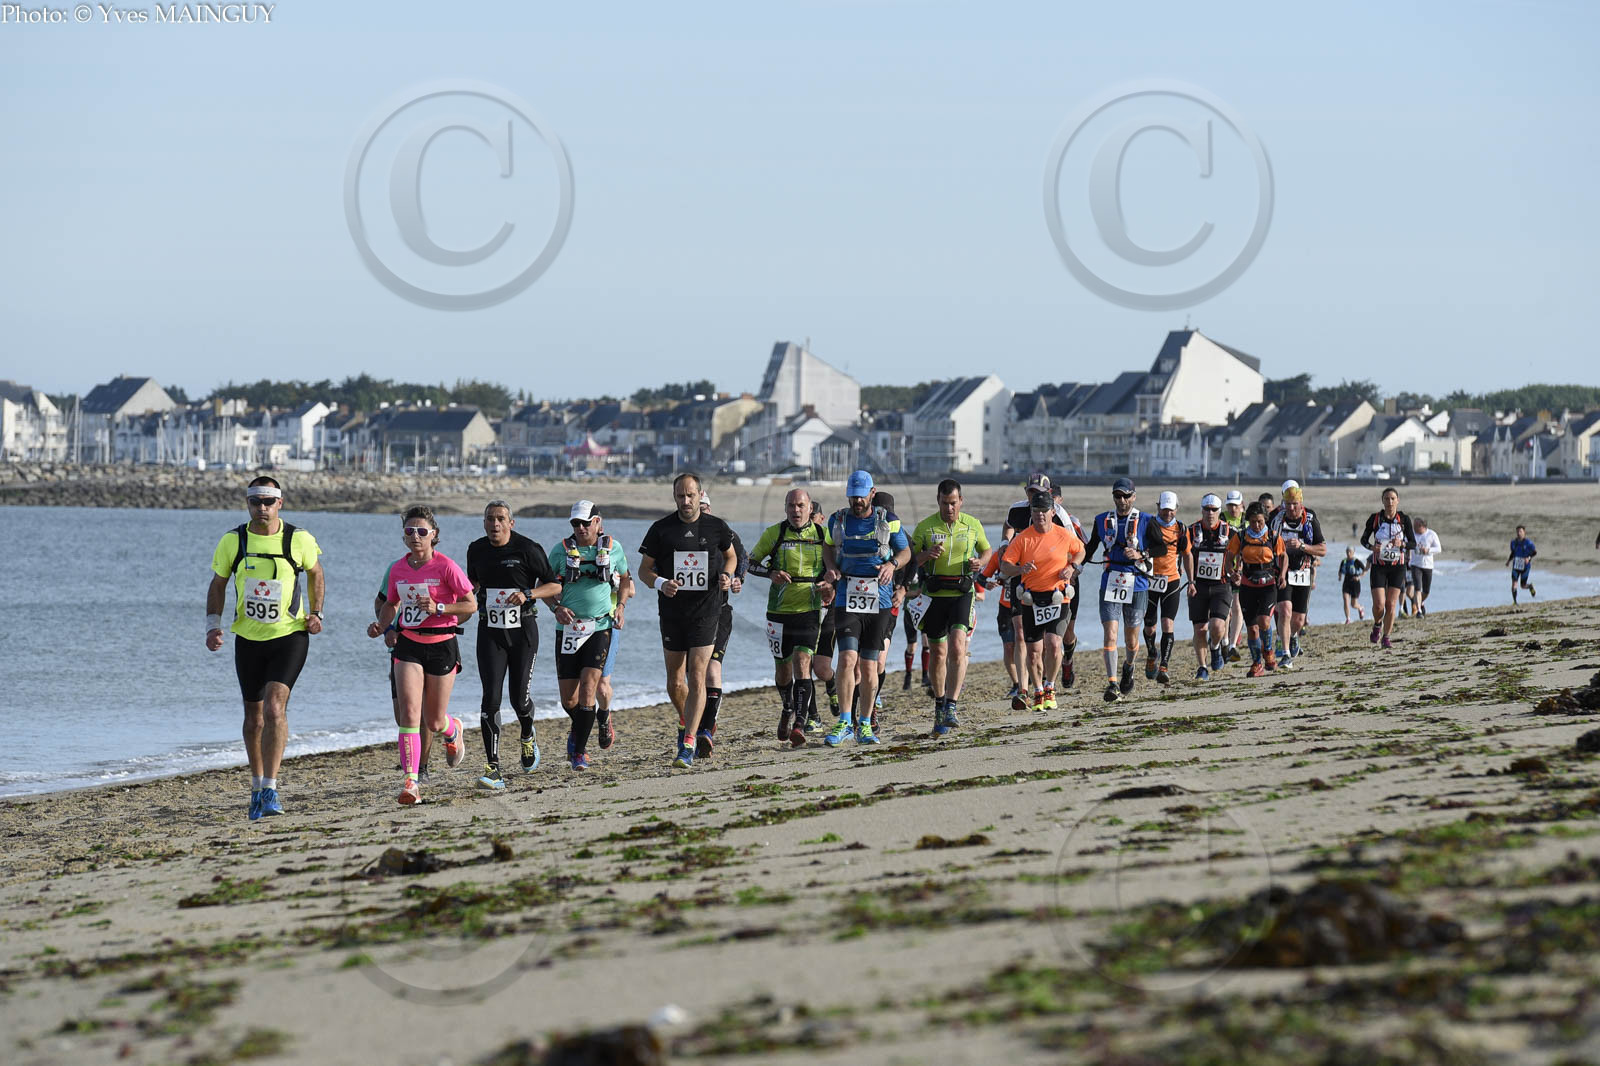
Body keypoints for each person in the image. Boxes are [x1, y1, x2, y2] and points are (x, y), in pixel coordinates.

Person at [206, 476, 326, 821]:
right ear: (248, 504)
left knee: (275, 709)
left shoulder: (298, 539)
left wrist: (316, 613)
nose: (262, 507)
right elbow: (218, 584)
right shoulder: (234, 540)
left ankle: (271, 788)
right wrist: (212, 626)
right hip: (248, 639)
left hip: (289, 635)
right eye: (255, 501)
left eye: (268, 501)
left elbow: (316, 573)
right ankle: (257, 787)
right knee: (254, 719)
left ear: (280, 503)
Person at [368, 505, 477, 805]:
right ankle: (411, 782)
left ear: (433, 535)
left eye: (421, 531)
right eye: (409, 531)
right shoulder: (397, 569)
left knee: (434, 720)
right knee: (409, 714)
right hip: (408, 645)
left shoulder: (446, 566)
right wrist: (382, 625)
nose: (415, 536)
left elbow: (471, 605)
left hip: (442, 645)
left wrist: (439, 608)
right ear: (404, 536)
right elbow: (390, 603)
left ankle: (453, 730)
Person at [637, 473, 736, 769]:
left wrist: (727, 576)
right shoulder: (661, 529)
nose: (686, 501)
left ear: (700, 495)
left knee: (697, 676)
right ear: (674, 496)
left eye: (690, 495)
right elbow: (643, 571)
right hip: (672, 613)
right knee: (675, 681)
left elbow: (731, 556)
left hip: (706, 611)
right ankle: (686, 719)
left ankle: (689, 742)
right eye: (680, 496)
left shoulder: (716, 527)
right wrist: (661, 583)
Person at [466, 500, 562, 789]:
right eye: (490, 519)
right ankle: (493, 768)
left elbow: (554, 585)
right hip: (490, 631)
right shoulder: (476, 549)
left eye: (500, 518)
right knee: (490, 698)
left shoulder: (528, 549)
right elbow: (473, 585)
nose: (495, 524)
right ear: (484, 523)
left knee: (519, 699)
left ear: (511, 523)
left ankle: (527, 734)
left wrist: (528, 594)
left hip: (523, 632)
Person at [822, 470, 911, 745]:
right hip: (847, 597)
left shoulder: (888, 521)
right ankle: (844, 722)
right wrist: (831, 568)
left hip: (879, 599)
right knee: (847, 658)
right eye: (853, 496)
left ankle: (865, 724)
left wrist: (892, 565)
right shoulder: (837, 520)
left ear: (872, 493)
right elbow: (827, 547)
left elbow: (906, 552)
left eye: (861, 496)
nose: (857, 501)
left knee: (870, 665)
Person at [547, 500, 631, 771]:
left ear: (597, 522)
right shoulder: (559, 551)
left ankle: (579, 753)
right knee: (568, 700)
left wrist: (620, 607)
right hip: (568, 629)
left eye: (585, 522)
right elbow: (544, 585)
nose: (580, 528)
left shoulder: (613, 548)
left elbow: (626, 578)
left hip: (599, 626)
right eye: (575, 523)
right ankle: (581, 727)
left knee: (589, 689)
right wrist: (556, 608)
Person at [747, 488, 833, 748]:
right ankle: (787, 707)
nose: (796, 510)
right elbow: (749, 563)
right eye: (791, 506)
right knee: (783, 671)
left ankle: (800, 724)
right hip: (778, 611)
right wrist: (770, 573)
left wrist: (830, 585)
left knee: (803, 662)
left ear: (810, 509)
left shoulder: (823, 535)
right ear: (785, 508)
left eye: (801, 505)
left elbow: (835, 569)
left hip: (809, 610)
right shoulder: (775, 533)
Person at [909, 478, 992, 734]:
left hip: (962, 593)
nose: (949, 508)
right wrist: (926, 555)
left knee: (957, 647)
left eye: (953, 503)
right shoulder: (925, 527)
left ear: (961, 501)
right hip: (934, 594)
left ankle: (952, 706)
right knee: (938, 653)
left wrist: (980, 563)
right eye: (945, 503)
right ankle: (939, 703)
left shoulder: (972, 524)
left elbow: (987, 551)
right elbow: (909, 560)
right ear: (938, 501)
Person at [999, 489, 1086, 710]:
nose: (1039, 514)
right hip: (1031, 600)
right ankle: (1037, 690)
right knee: (1034, 651)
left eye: (1044, 510)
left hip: (1058, 597)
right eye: (1035, 510)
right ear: (1031, 512)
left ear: (1052, 512)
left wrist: (1072, 567)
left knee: (1054, 644)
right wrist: (1020, 569)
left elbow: (1081, 551)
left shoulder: (1064, 534)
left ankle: (1050, 686)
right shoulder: (1022, 539)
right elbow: (1005, 566)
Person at [1082, 477, 1157, 703]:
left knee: (1131, 641)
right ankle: (1112, 683)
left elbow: (1161, 547)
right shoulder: (1102, 520)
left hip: (1137, 582)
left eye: (1126, 496)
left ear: (1133, 497)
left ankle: (1129, 666)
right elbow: (1090, 548)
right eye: (1118, 496)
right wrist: (1075, 567)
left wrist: (1140, 554)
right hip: (1111, 580)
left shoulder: (1146, 520)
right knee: (1110, 633)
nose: (1122, 500)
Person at [698, 492, 748, 755]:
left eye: (704, 507)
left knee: (712, 668)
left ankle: (707, 729)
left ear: (709, 508)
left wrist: (737, 578)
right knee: (692, 675)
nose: (701, 512)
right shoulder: (681, 535)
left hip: (719, 611)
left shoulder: (723, 533)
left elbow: (742, 557)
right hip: (689, 615)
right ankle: (696, 723)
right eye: (697, 508)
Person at [1268, 486, 1325, 669]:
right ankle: (1285, 654)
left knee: (1299, 620)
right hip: (1282, 572)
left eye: (1294, 504)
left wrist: (1302, 546)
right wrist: (1280, 547)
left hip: (1303, 572)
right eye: (1288, 504)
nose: (1291, 508)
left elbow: (1322, 549)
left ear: (1301, 503)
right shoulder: (1276, 520)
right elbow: (1266, 546)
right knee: (1285, 610)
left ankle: (1293, 636)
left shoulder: (1310, 520)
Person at [1140, 490, 1190, 685]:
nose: (1168, 513)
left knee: (1167, 623)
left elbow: (1187, 555)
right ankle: (1152, 653)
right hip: (1150, 581)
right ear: (1158, 507)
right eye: (1164, 509)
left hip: (1172, 581)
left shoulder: (1181, 529)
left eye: (1171, 510)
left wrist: (1192, 581)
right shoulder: (1148, 525)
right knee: (1149, 627)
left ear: (1176, 509)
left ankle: (1164, 666)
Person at [1232, 501, 1287, 677]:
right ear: (1248, 520)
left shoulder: (1273, 536)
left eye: (1260, 522)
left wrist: (1282, 575)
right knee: (1252, 629)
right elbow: (1229, 555)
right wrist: (1232, 573)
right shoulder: (1241, 536)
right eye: (1253, 521)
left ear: (1265, 520)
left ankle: (1269, 651)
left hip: (1268, 585)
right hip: (1247, 586)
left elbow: (1283, 556)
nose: (1256, 525)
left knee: (1264, 621)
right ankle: (1257, 664)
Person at [1185, 493, 1236, 680]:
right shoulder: (1191, 531)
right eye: (1207, 509)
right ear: (1202, 510)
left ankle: (1215, 647)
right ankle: (1202, 667)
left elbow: (1242, 553)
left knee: (1217, 626)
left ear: (1219, 511)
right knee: (1200, 629)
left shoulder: (1230, 532)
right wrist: (1188, 579)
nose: (1210, 513)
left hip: (1221, 585)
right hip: (1198, 586)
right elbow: (1183, 554)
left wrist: (1238, 572)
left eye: (1214, 510)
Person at [1359, 487, 1417, 649]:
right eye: (1386, 499)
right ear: (1382, 501)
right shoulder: (1375, 519)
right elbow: (1363, 540)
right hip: (1379, 566)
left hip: (1398, 567)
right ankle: (1377, 624)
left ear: (1397, 501)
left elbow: (1413, 543)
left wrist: (1402, 543)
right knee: (1379, 605)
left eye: (1392, 499)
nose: (1390, 502)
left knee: (1391, 604)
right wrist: (1372, 547)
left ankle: (1386, 637)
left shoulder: (1404, 519)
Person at [981, 533, 1022, 705]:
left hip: (1024, 606)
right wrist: (987, 584)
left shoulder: (1026, 553)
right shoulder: (998, 556)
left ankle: (1033, 679)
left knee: (1026, 644)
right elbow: (981, 577)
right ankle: (1016, 683)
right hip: (1005, 608)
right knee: (1008, 647)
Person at [1222, 489, 1247, 661]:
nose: (1233, 509)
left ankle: (1233, 644)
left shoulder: (1247, 521)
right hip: (1223, 569)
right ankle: (1224, 640)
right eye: (1230, 505)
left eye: (1236, 505)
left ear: (1242, 505)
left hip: (1241, 570)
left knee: (1237, 606)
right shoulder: (1221, 518)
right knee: (1225, 609)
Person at [1408, 517, 1441, 617]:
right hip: (1415, 565)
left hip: (1428, 565)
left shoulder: (1431, 534)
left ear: (1422, 526)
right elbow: (1405, 544)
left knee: (1426, 591)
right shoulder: (1411, 534)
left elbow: (1438, 549)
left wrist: (1428, 550)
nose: (1413, 527)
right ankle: (1419, 611)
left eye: (1415, 526)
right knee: (1417, 588)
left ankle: (1420, 602)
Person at [1508, 525, 1537, 603]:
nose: (1519, 533)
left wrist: (1528, 558)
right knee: (1514, 583)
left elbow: (1534, 552)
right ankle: (1515, 602)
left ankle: (1530, 586)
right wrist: (1508, 561)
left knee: (1523, 586)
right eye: (1517, 531)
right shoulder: (1513, 542)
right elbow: (1513, 553)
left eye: (1520, 531)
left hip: (1525, 566)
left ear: (1524, 532)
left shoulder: (1529, 543)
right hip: (1516, 566)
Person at [1338, 547, 1367, 624]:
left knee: (1353, 604)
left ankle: (1360, 608)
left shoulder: (1357, 561)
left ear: (1353, 552)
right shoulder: (1344, 561)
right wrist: (1340, 576)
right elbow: (1340, 571)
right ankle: (1348, 619)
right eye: (1347, 552)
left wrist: (1359, 577)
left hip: (1355, 583)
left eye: (1350, 552)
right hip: (1346, 583)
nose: (1348, 553)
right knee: (1345, 600)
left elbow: (1365, 570)